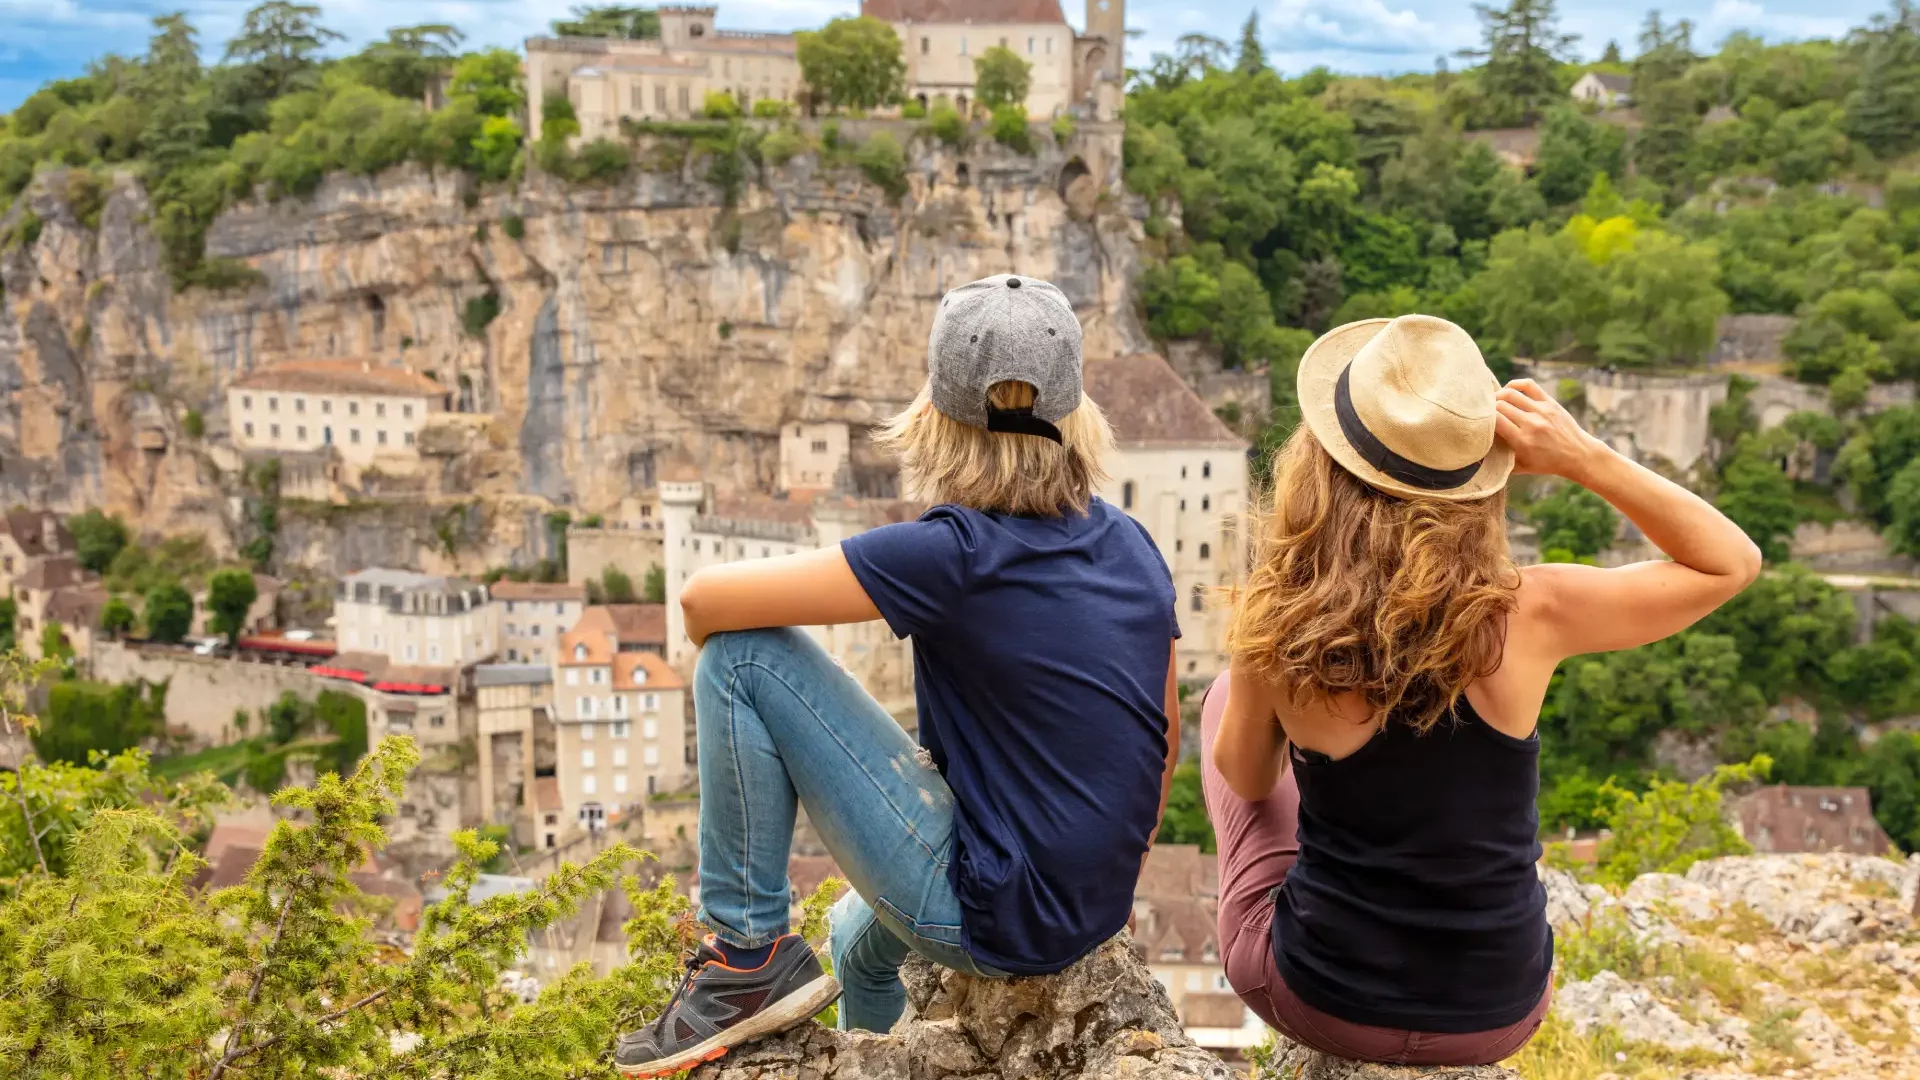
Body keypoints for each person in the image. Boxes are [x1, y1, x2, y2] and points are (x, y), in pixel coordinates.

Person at [615, 274, 1182, 1078]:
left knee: (741, 659)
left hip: (999, 917)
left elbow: (704, 599)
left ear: (937, 421)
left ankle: (744, 957)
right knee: (854, 946)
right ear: (1075, 415)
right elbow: (1164, 732)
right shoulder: (1129, 541)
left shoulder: (952, 552)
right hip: (1085, 902)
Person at [1205, 314, 1762, 1066]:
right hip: (1496, 1013)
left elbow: (1245, 779)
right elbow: (1731, 563)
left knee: (1226, 719)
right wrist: (1584, 459)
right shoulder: (1531, 610)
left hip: (1325, 1002)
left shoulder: (1281, 623)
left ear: (1324, 462)